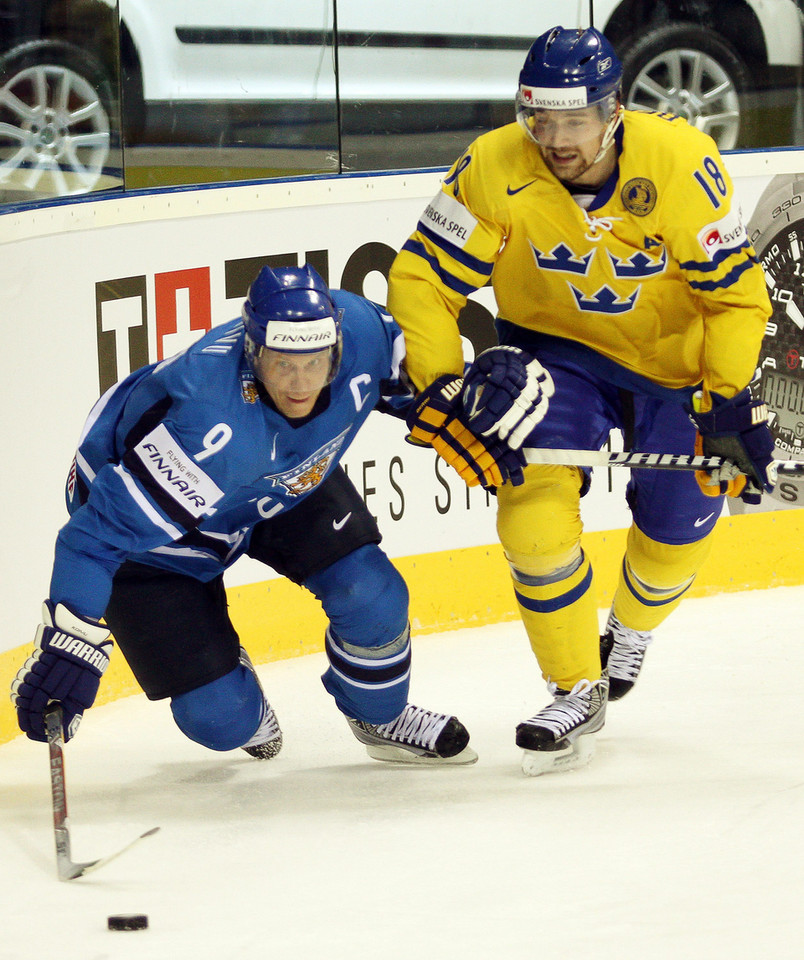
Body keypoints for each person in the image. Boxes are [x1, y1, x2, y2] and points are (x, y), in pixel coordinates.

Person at [387, 26, 775, 775]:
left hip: (675, 365)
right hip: (556, 356)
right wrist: (439, 383)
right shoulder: (493, 165)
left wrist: (726, 405)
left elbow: (734, 299)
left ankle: (630, 629)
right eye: (540, 118)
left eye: (573, 120)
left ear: (614, 110)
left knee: (675, 528)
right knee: (530, 511)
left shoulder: (682, 163)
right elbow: (421, 282)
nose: (554, 138)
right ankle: (574, 685)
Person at [10, 264, 479, 765]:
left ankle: (380, 716)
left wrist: (478, 403)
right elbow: (92, 541)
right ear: (252, 352)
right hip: (154, 544)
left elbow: (426, 387)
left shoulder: (362, 329)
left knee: (373, 595)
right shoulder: (207, 424)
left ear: (337, 348)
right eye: (282, 364)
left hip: (276, 481)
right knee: (221, 719)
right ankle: (226, 683)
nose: (300, 384)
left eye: (315, 362)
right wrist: (69, 641)